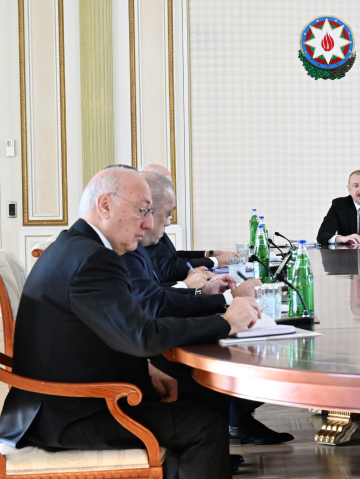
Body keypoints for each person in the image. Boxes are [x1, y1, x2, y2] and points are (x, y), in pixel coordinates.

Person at [0, 168, 261, 479]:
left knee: (197, 401)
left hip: (58, 404)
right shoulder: (94, 259)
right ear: (105, 205)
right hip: (70, 415)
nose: (148, 223)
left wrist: (147, 370)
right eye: (142, 210)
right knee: (204, 424)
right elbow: (141, 334)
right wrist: (226, 323)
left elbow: (102, 330)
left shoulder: (73, 247)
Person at [123, 171, 292, 447]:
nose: (161, 221)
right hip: (148, 352)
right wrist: (226, 305)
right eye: (161, 212)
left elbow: (156, 294)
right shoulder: (124, 248)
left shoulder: (134, 244)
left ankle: (234, 424)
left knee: (238, 346)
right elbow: (154, 304)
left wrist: (205, 293)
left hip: (150, 341)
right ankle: (227, 429)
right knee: (232, 357)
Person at [138, 164, 239, 286]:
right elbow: (168, 270)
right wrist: (188, 285)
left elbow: (173, 256)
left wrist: (209, 254)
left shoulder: (153, 228)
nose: (168, 222)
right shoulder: (136, 242)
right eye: (164, 186)